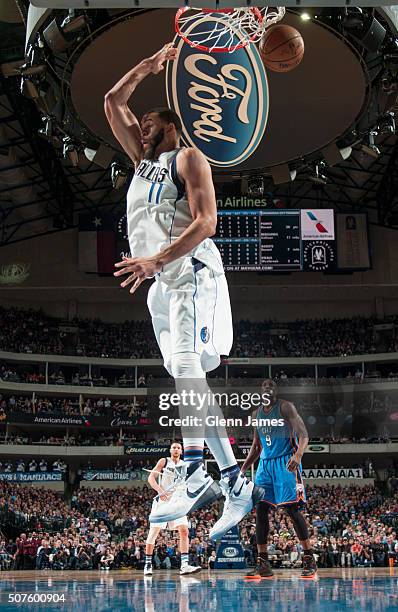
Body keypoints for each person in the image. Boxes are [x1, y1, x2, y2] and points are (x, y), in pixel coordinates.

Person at [104, 42, 263, 540]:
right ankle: (234, 481)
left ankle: (194, 469)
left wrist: (157, 258)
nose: (141, 130)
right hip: (159, 285)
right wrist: (148, 65)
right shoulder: (140, 162)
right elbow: (112, 101)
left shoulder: (190, 158)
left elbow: (207, 222)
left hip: (191, 268)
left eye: (149, 125)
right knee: (190, 383)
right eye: (141, 126)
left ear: (170, 126)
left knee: (191, 368)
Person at [241, 379, 317, 579]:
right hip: (265, 464)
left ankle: (309, 558)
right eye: (264, 385)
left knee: (292, 509)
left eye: (271, 385)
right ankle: (263, 562)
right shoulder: (256, 415)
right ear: (260, 391)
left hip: (286, 461)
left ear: (276, 390)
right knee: (261, 509)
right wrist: (243, 468)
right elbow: (256, 447)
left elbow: (304, 434)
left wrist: (298, 455)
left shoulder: (285, 407)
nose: (267, 387)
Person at [144, 442, 200, 576]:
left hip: (178, 502)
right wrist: (160, 490)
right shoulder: (164, 461)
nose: (176, 449)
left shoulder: (185, 465)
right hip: (163, 500)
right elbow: (151, 477)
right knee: (154, 532)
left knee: (184, 531)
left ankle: (185, 565)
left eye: (178, 448)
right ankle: (147, 564)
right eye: (174, 447)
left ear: (181, 451)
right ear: (170, 450)